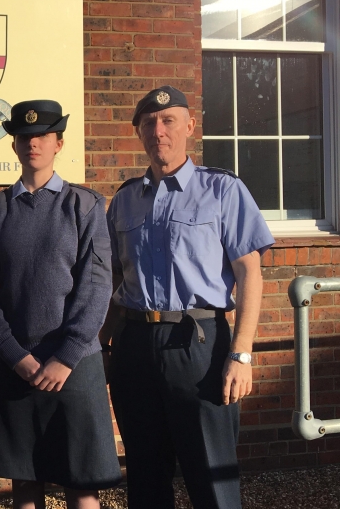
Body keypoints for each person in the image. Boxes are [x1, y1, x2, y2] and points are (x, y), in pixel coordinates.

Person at [102, 86, 274, 508]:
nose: (158, 131)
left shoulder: (223, 190)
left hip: (198, 342)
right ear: (140, 133)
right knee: (144, 473)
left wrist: (242, 354)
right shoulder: (124, 200)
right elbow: (112, 278)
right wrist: (105, 343)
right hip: (135, 344)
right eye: (148, 124)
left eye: (168, 121)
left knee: (211, 475)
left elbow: (249, 272)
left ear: (189, 127)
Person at [0, 100, 122, 509]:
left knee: (81, 483)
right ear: (14, 145)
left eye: (41, 136)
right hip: (19, 365)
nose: (32, 143)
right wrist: (14, 355)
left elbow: (96, 286)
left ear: (59, 142)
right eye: (24, 137)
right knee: (24, 481)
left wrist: (66, 356)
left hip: (75, 364)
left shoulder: (86, 206)